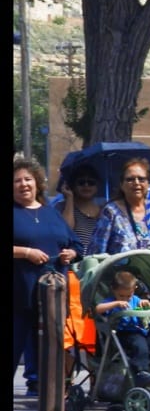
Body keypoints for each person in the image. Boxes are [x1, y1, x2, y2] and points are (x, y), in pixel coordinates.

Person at [14, 157, 84, 396]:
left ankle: (40, 384)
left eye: (28, 179)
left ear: (37, 183)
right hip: (19, 291)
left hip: (51, 292)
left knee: (45, 341)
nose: (23, 184)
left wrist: (70, 253)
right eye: (17, 181)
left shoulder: (51, 214)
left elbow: (76, 244)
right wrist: (26, 252)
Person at [94, 270, 150, 386]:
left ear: (134, 289)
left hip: (139, 330)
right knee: (140, 345)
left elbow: (149, 308)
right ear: (113, 290)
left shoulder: (135, 299)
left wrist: (147, 304)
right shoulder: (112, 301)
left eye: (128, 296)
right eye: (121, 296)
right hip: (123, 333)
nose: (125, 299)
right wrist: (116, 303)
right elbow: (98, 308)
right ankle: (141, 372)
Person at [88, 157, 150, 256]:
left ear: (148, 183)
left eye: (141, 179)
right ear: (122, 184)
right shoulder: (111, 212)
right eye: (130, 179)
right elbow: (96, 253)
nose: (136, 183)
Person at [55, 164, 103, 252]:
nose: (86, 186)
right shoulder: (62, 206)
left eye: (91, 182)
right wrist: (69, 198)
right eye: (81, 182)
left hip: (99, 262)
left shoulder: (104, 211)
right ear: (73, 185)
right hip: (75, 262)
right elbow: (66, 231)